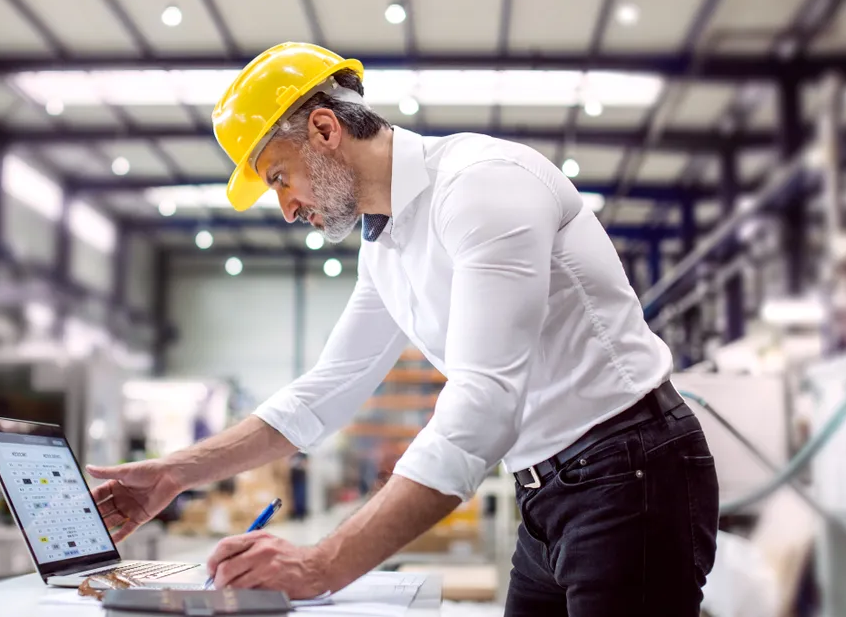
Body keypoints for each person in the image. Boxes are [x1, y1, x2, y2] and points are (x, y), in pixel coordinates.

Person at [86, 42, 720, 616]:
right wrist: (174, 472)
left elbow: (484, 403)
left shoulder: (481, 185)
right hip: (548, 488)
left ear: (325, 129)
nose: (286, 208)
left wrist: (322, 564)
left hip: (631, 469)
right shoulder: (385, 248)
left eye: (279, 177)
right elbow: (323, 393)